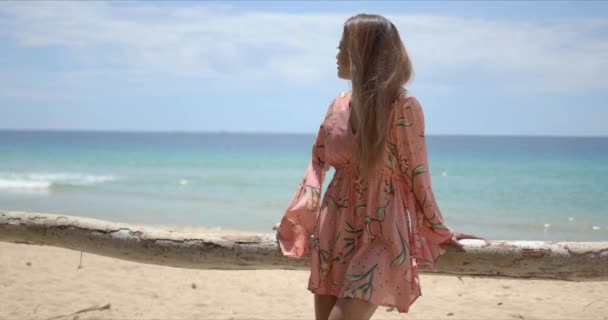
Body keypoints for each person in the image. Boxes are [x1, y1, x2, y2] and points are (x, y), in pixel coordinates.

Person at [274, 13, 482, 320]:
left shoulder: (402, 105)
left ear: (364, 52)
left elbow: (417, 173)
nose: (336, 54)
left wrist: (438, 229)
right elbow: (316, 165)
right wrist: (296, 222)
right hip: (335, 227)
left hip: (382, 232)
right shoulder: (338, 105)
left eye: (343, 47)